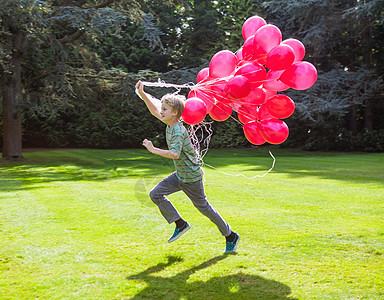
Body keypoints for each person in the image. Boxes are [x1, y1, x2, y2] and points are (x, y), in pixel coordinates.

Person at [135, 80, 240, 253]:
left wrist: (154, 150)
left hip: (191, 177)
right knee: (155, 194)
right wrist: (142, 94)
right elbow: (154, 111)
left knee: (204, 208)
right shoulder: (171, 124)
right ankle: (180, 224)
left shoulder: (177, 131)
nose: (161, 111)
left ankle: (230, 235)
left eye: (165, 109)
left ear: (175, 112)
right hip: (180, 174)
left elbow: (175, 154)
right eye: (162, 109)